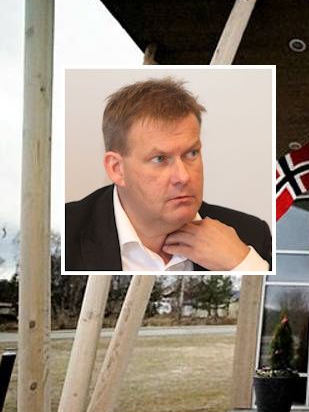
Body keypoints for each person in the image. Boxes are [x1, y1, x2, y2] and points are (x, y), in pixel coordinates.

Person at [65, 77, 271, 272]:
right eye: (160, 159)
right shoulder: (63, 235)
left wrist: (244, 265)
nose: (183, 177)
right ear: (117, 169)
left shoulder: (250, 236)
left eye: (191, 153)